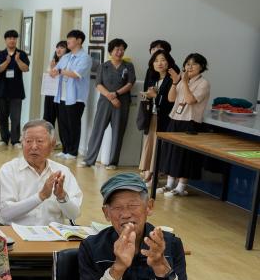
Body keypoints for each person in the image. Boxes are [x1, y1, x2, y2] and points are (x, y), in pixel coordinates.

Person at [79, 172, 190, 280]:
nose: (125, 214)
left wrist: (161, 266)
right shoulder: (91, 246)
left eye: (133, 205)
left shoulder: (170, 245)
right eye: (117, 207)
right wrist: (118, 268)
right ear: (106, 213)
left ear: (149, 207)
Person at [0, 120, 82, 226]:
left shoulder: (62, 172)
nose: (34, 146)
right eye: (28, 141)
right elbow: (4, 212)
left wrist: (62, 197)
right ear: (22, 143)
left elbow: (74, 214)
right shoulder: (8, 170)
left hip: (52, 237)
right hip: (15, 235)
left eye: (40, 141)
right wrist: (40, 196)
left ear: (52, 145)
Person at [157, 53, 210, 197]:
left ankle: (181, 187)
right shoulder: (182, 80)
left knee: (184, 155)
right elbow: (171, 98)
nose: (189, 67)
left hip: (190, 121)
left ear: (202, 67)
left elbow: (190, 100)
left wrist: (184, 82)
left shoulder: (203, 83)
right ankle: (169, 184)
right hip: (175, 118)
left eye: (194, 64)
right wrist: (175, 82)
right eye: (187, 64)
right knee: (171, 152)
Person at [81, 38, 136, 170]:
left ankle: (113, 162)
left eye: (122, 49)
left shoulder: (128, 66)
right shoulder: (103, 66)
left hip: (121, 102)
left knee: (118, 131)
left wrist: (116, 94)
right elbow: (98, 84)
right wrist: (111, 97)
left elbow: (130, 83)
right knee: (97, 130)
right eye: (117, 49)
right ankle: (89, 160)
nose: (120, 52)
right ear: (111, 51)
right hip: (105, 102)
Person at [52, 29, 92, 160]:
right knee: (62, 123)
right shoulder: (66, 56)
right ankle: (65, 149)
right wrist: (55, 70)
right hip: (62, 95)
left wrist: (59, 70)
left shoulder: (84, 57)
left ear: (79, 40)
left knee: (73, 124)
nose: (68, 41)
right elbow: (56, 70)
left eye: (71, 38)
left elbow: (76, 74)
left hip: (76, 97)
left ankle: (73, 152)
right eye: (67, 38)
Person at [139, 49, 175, 184]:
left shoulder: (171, 80)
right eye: (156, 60)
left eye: (163, 60)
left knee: (158, 148)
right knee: (150, 146)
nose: (159, 63)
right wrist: (148, 96)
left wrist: (155, 96)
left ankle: (155, 176)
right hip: (152, 116)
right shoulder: (155, 79)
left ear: (169, 62)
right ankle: (149, 173)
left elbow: (170, 102)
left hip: (164, 119)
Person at [0, 30, 30, 147]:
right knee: (2, 117)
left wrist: (18, 60)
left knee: (15, 118)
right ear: (5, 40)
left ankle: (15, 140)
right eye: (9, 38)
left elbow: (25, 69)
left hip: (16, 91)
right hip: (1, 90)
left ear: (16, 40)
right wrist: (7, 62)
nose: (12, 40)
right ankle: (4, 139)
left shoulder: (22, 54)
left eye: (14, 38)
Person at [43, 41, 68, 155]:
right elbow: (50, 76)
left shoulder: (68, 62)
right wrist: (52, 68)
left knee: (62, 121)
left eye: (62, 48)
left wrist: (54, 70)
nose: (58, 50)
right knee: (48, 119)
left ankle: (64, 146)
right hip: (50, 93)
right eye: (57, 47)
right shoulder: (53, 61)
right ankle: (46, 143)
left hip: (61, 95)